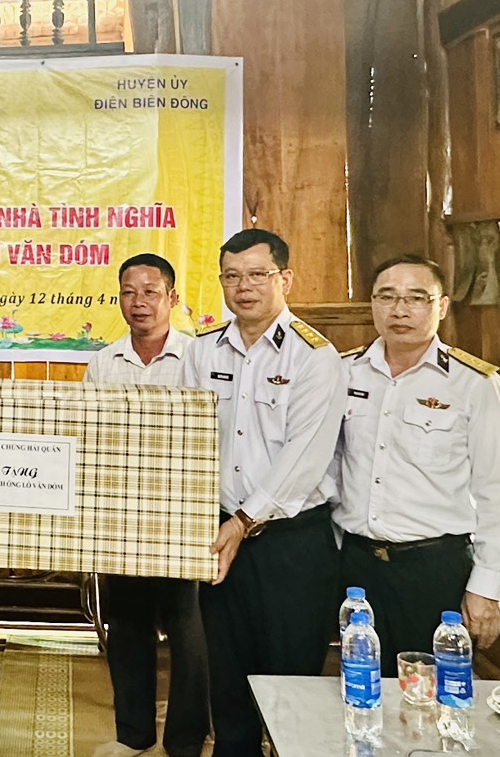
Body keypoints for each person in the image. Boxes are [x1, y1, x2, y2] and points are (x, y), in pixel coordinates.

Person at [183, 228, 346, 757]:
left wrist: (243, 522)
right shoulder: (201, 351)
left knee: (289, 685)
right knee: (227, 679)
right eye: (232, 276)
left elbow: (304, 457)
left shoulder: (314, 357)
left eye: (258, 274)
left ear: (285, 279)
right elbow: (185, 441)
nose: (244, 287)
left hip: (290, 544)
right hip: (219, 536)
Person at [334, 254, 500, 673]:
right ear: (372, 304)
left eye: (416, 298)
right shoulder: (345, 372)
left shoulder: (474, 383)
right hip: (357, 566)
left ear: (442, 306)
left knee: (432, 694)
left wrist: (487, 586)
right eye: (387, 297)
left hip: (434, 569)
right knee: (359, 688)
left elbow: (496, 491)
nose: (399, 310)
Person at [84, 253, 211, 757]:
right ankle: (133, 736)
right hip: (121, 516)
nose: (139, 302)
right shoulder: (104, 362)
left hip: (183, 515)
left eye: (151, 292)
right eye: (129, 292)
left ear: (172, 298)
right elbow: (90, 436)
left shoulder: (198, 357)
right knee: (128, 626)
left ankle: (184, 741)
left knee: (189, 631)